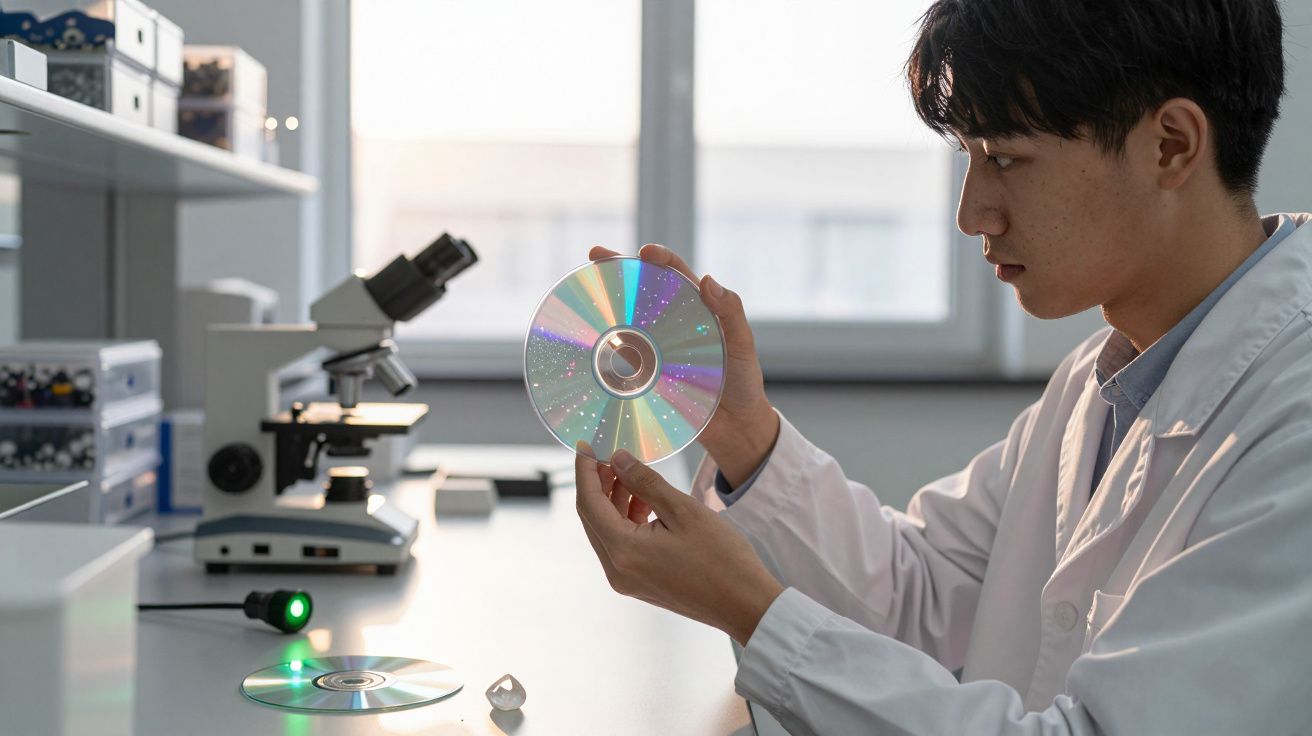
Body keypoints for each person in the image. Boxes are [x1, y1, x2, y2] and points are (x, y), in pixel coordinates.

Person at [574, 0, 1310, 733]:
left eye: (1007, 159)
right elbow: (915, 595)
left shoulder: (1293, 420)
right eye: (969, 157)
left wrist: (750, 609)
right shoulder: (1106, 378)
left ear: (1172, 146)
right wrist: (742, 433)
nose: (973, 212)